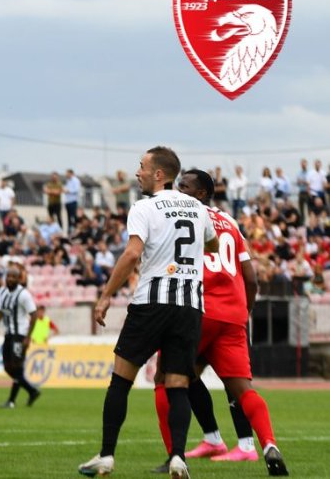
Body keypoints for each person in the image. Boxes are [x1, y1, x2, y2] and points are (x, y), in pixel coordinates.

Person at [78, 146, 218, 478]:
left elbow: (131, 254)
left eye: (141, 167)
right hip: (188, 307)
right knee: (178, 384)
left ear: (158, 174)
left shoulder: (144, 207)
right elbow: (212, 244)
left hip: (151, 304)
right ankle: (178, 457)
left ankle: (107, 455)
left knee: (120, 381)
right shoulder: (198, 208)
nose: (137, 172)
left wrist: (105, 296)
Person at [150, 169, 288, 476]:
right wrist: (243, 313)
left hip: (196, 310)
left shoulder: (180, 217)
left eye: (184, 186)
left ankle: (175, 457)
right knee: (242, 388)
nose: (178, 190)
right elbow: (251, 278)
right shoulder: (231, 222)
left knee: (164, 379)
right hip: (232, 315)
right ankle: (268, 444)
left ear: (201, 193)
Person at [0, 267, 41, 409]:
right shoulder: (2, 291)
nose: (10, 279)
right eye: (9, 276)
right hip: (9, 333)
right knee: (8, 367)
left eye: (14, 277)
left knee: (16, 366)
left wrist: (28, 337)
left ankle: (12, 401)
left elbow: (34, 315)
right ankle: (32, 390)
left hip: (20, 335)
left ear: (19, 279)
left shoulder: (24, 294)